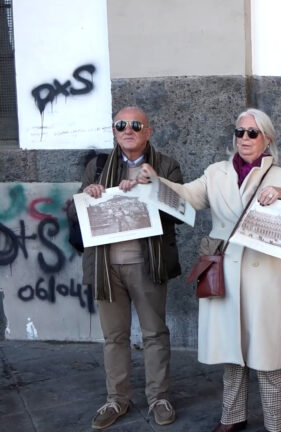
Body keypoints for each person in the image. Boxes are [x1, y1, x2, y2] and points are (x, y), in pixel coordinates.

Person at [138, 108, 281, 432]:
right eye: (239, 132)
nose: (244, 138)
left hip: (264, 276)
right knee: (232, 352)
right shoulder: (215, 173)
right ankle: (232, 417)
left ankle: (276, 423)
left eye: (252, 133)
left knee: (268, 357)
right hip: (225, 272)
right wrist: (156, 182)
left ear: (267, 138)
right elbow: (187, 195)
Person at [69, 106, 183, 429]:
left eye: (136, 124)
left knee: (155, 333)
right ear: (115, 131)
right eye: (121, 125)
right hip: (107, 267)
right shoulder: (99, 166)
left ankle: (158, 397)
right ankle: (117, 398)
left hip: (148, 263)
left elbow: (179, 210)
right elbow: (77, 212)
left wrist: (155, 186)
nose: (127, 129)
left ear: (148, 131)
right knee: (114, 336)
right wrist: (87, 194)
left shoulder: (166, 166)